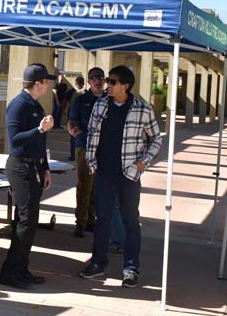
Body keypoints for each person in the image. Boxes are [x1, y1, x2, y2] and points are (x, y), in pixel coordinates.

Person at [78, 65, 162, 288]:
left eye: (112, 82)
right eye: (107, 81)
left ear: (125, 85)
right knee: (102, 220)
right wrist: (90, 159)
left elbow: (156, 139)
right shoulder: (100, 105)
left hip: (129, 175)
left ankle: (131, 268)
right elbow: (92, 134)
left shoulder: (142, 109)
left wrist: (142, 164)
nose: (107, 85)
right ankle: (98, 263)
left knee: (131, 221)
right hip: (103, 172)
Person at [0, 63, 55, 289]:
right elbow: (15, 141)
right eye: (46, 81)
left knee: (30, 222)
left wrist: (46, 168)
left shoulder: (35, 105)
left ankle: (21, 269)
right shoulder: (18, 105)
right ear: (38, 83)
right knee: (25, 221)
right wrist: (39, 129)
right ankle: (9, 272)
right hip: (20, 167)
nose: (49, 84)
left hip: (34, 168)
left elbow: (40, 143)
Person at [67, 67, 104, 237]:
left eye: (100, 77)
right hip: (85, 147)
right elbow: (72, 121)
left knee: (97, 186)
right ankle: (80, 223)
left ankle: (91, 220)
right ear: (88, 81)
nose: (97, 80)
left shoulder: (110, 100)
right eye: (94, 77)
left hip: (104, 149)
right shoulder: (81, 100)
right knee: (84, 184)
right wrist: (73, 129)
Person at [68, 75, 85, 160]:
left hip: (77, 118)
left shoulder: (74, 91)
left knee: (75, 137)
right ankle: (73, 155)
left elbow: (66, 101)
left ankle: (74, 155)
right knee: (74, 137)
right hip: (75, 118)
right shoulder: (73, 91)